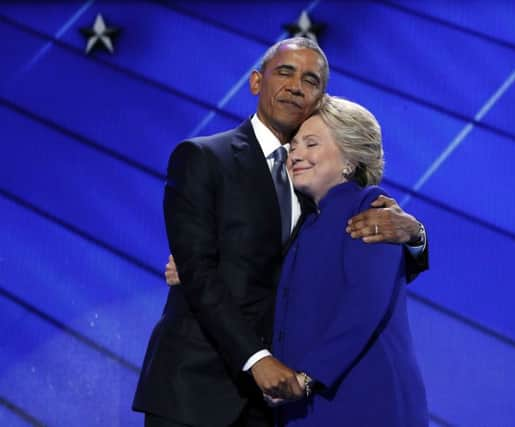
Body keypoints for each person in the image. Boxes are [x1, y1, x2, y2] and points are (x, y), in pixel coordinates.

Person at [133, 37, 428, 427]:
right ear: (256, 82)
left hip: (277, 400)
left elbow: (363, 272)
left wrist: (417, 234)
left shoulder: (320, 186)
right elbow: (199, 269)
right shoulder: (204, 158)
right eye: (285, 71)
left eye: (311, 80)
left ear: (320, 98)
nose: (296, 85)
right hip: (197, 388)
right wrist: (257, 359)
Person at [270, 95, 428, 425]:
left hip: (363, 401)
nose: (295, 154)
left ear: (349, 160)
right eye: (293, 145)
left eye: (310, 143)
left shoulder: (368, 206)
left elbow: (366, 301)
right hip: (306, 408)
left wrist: (308, 377)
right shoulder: (302, 223)